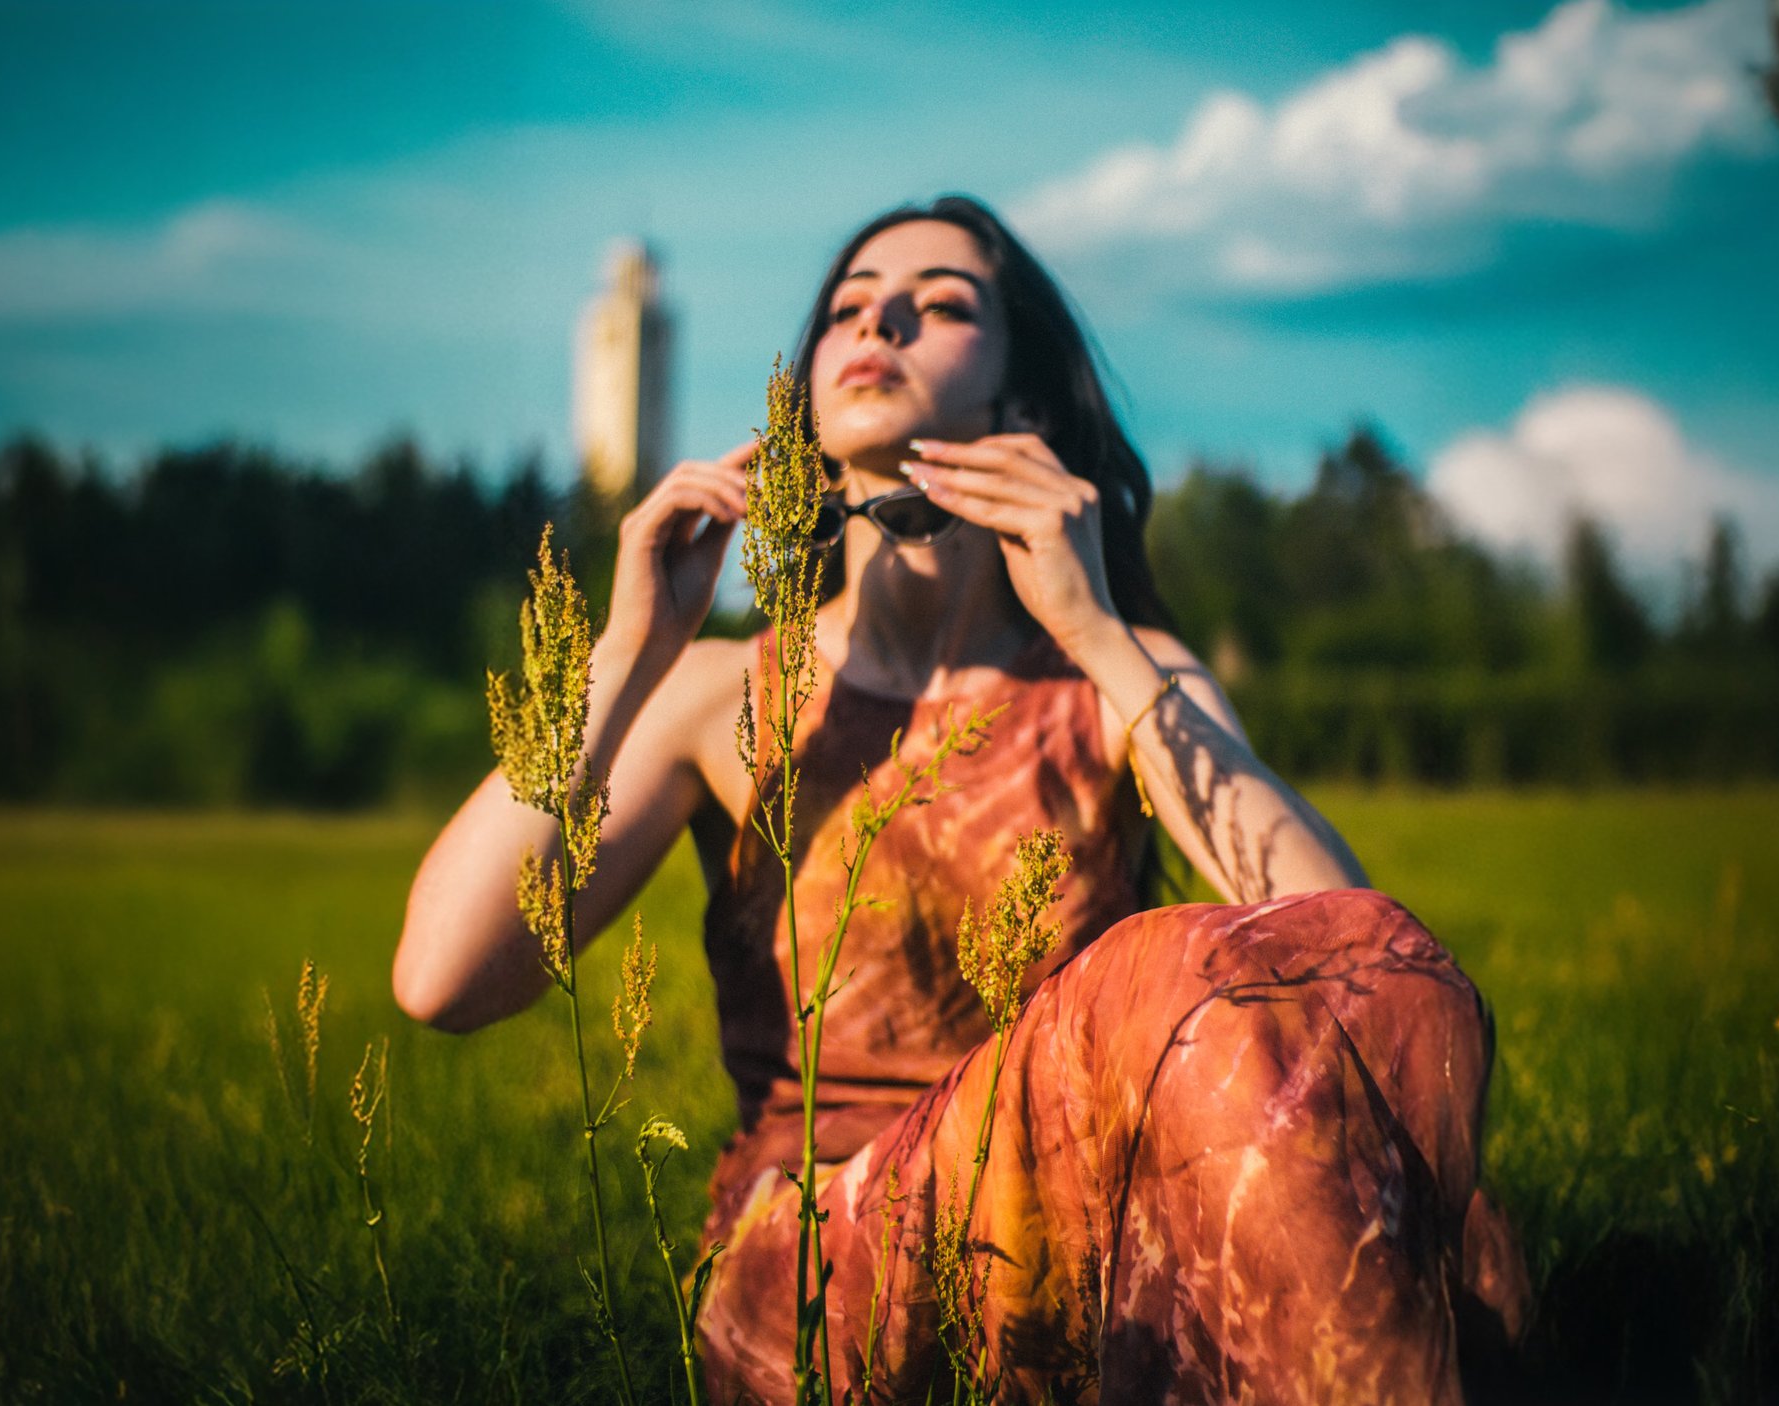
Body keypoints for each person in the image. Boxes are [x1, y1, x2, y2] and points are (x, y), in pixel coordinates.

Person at [394, 195, 1522, 1403]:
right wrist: (626, 652)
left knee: (1254, 1052)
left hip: (1079, 1254)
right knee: (1175, 993)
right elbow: (443, 976)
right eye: (846, 306)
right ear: (809, 396)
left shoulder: (1109, 681)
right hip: (819, 1283)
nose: (877, 316)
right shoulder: (727, 691)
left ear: (1024, 408)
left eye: (938, 305)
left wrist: (1095, 632)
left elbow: (1340, 969)